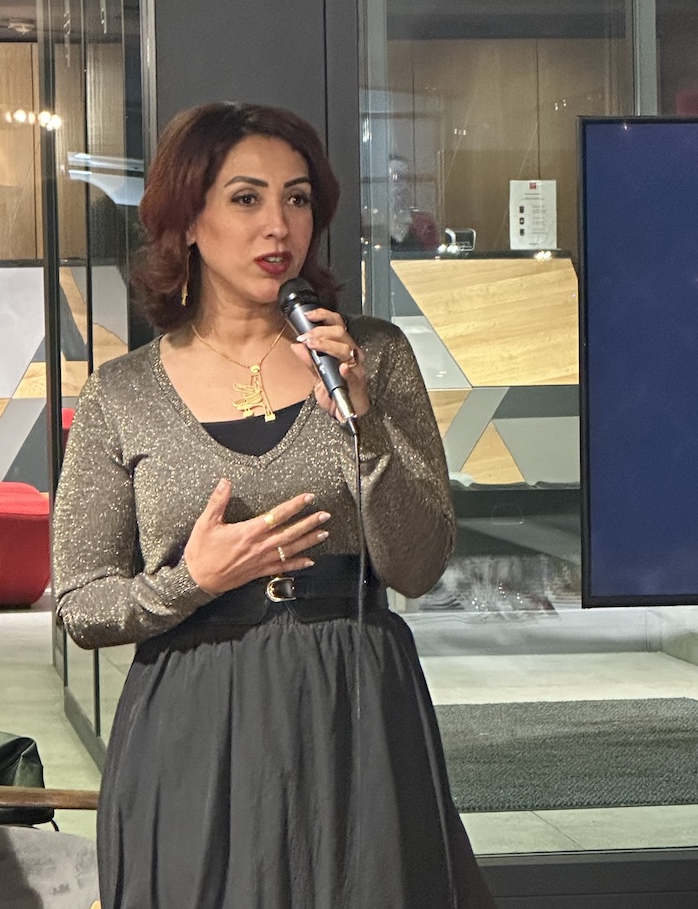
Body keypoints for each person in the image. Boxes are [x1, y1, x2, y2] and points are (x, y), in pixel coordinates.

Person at [52, 102, 496, 909]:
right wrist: (191, 580)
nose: (278, 225)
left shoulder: (373, 355)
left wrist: (364, 424)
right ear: (189, 220)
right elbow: (81, 603)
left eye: (297, 198)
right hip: (193, 718)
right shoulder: (122, 394)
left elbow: (419, 564)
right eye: (246, 198)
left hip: (354, 706)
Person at [389, 154, 440, 252]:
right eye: (396, 179)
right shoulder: (372, 222)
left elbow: (433, 257)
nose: (403, 186)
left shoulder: (425, 224)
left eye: (407, 179)